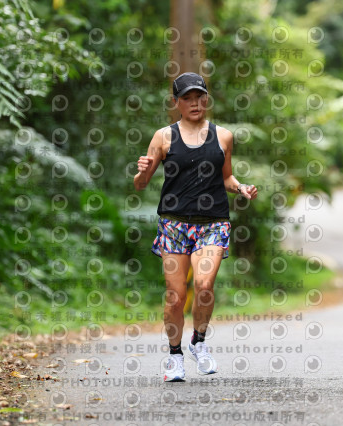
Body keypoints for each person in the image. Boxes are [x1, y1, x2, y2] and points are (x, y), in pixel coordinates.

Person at [133, 72, 258, 382]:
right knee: (176, 296)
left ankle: (198, 342)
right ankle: (175, 356)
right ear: (176, 102)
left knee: (203, 287)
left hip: (213, 223)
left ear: (206, 99)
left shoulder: (223, 136)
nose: (194, 103)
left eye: (199, 97)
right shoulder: (163, 137)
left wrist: (240, 187)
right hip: (174, 224)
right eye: (187, 98)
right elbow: (141, 184)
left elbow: (226, 177)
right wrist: (143, 171)